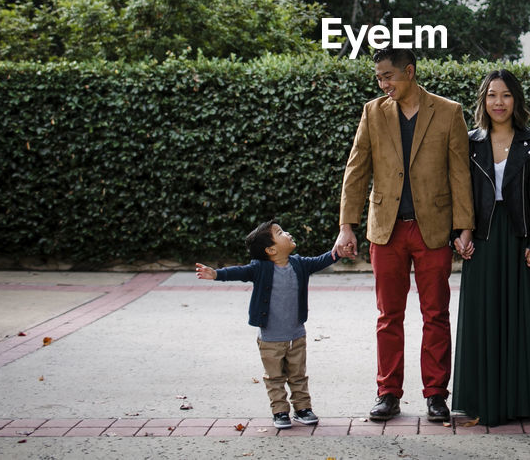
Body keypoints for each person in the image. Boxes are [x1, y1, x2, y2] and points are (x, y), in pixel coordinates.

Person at [334, 47, 473, 423]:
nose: (383, 84)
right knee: (388, 316)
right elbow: (356, 170)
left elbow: (460, 173)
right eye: (379, 78)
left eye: (389, 76)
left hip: (433, 229)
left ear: (409, 72)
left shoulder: (448, 111)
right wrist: (347, 225)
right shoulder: (372, 112)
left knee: (436, 315)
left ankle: (435, 395)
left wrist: (464, 227)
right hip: (386, 230)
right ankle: (388, 393)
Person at [452, 68, 530, 426]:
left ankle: (522, 400)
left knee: (523, 322)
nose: (499, 102)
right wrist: (459, 233)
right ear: (483, 99)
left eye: (507, 95)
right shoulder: (470, 141)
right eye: (492, 95)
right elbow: (457, 191)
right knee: (485, 319)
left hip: (521, 240)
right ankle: (484, 400)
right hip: (482, 240)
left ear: (517, 100)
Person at [194, 220, 338, 429]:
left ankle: (303, 408)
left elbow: (321, 260)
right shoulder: (260, 268)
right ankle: (280, 411)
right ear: (271, 250)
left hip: (297, 334)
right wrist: (216, 274)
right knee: (275, 377)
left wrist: (338, 251)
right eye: (280, 232)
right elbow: (239, 272)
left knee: (298, 374)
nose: (287, 232)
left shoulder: (299, 264)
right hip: (270, 338)